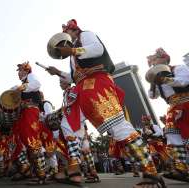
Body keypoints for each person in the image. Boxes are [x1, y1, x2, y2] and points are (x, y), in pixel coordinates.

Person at [46, 19, 166, 188]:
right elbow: (75, 77)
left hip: (98, 84)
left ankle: (151, 172)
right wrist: (57, 72)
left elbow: (97, 49)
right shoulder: (73, 56)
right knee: (69, 124)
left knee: (118, 127)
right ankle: (73, 170)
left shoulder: (85, 35)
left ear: (74, 31)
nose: (66, 38)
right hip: (81, 89)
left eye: (68, 33)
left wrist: (73, 49)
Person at [147, 48, 189, 182]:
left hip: (187, 104)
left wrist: (163, 79)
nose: (153, 63)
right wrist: (153, 83)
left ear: (165, 58)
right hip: (172, 109)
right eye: (152, 61)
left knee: (187, 136)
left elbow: (183, 81)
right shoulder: (158, 80)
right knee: (172, 138)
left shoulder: (179, 68)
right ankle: (181, 169)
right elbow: (152, 96)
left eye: (155, 59)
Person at [10, 62, 47, 185]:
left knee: (32, 140)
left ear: (26, 71)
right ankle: (35, 172)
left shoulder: (31, 77)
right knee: (26, 140)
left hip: (31, 110)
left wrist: (19, 88)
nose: (19, 73)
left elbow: (37, 84)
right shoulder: (24, 82)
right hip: (25, 112)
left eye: (20, 70)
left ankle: (42, 175)